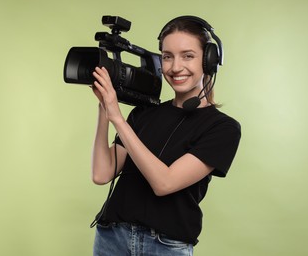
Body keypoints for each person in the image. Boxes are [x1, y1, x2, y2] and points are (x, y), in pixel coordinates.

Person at [90, 15, 241, 256]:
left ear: (209, 61)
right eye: (168, 56)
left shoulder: (223, 128)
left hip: (164, 246)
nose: (175, 67)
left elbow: (164, 183)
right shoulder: (144, 114)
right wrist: (104, 109)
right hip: (111, 237)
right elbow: (101, 173)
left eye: (188, 56)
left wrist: (117, 118)